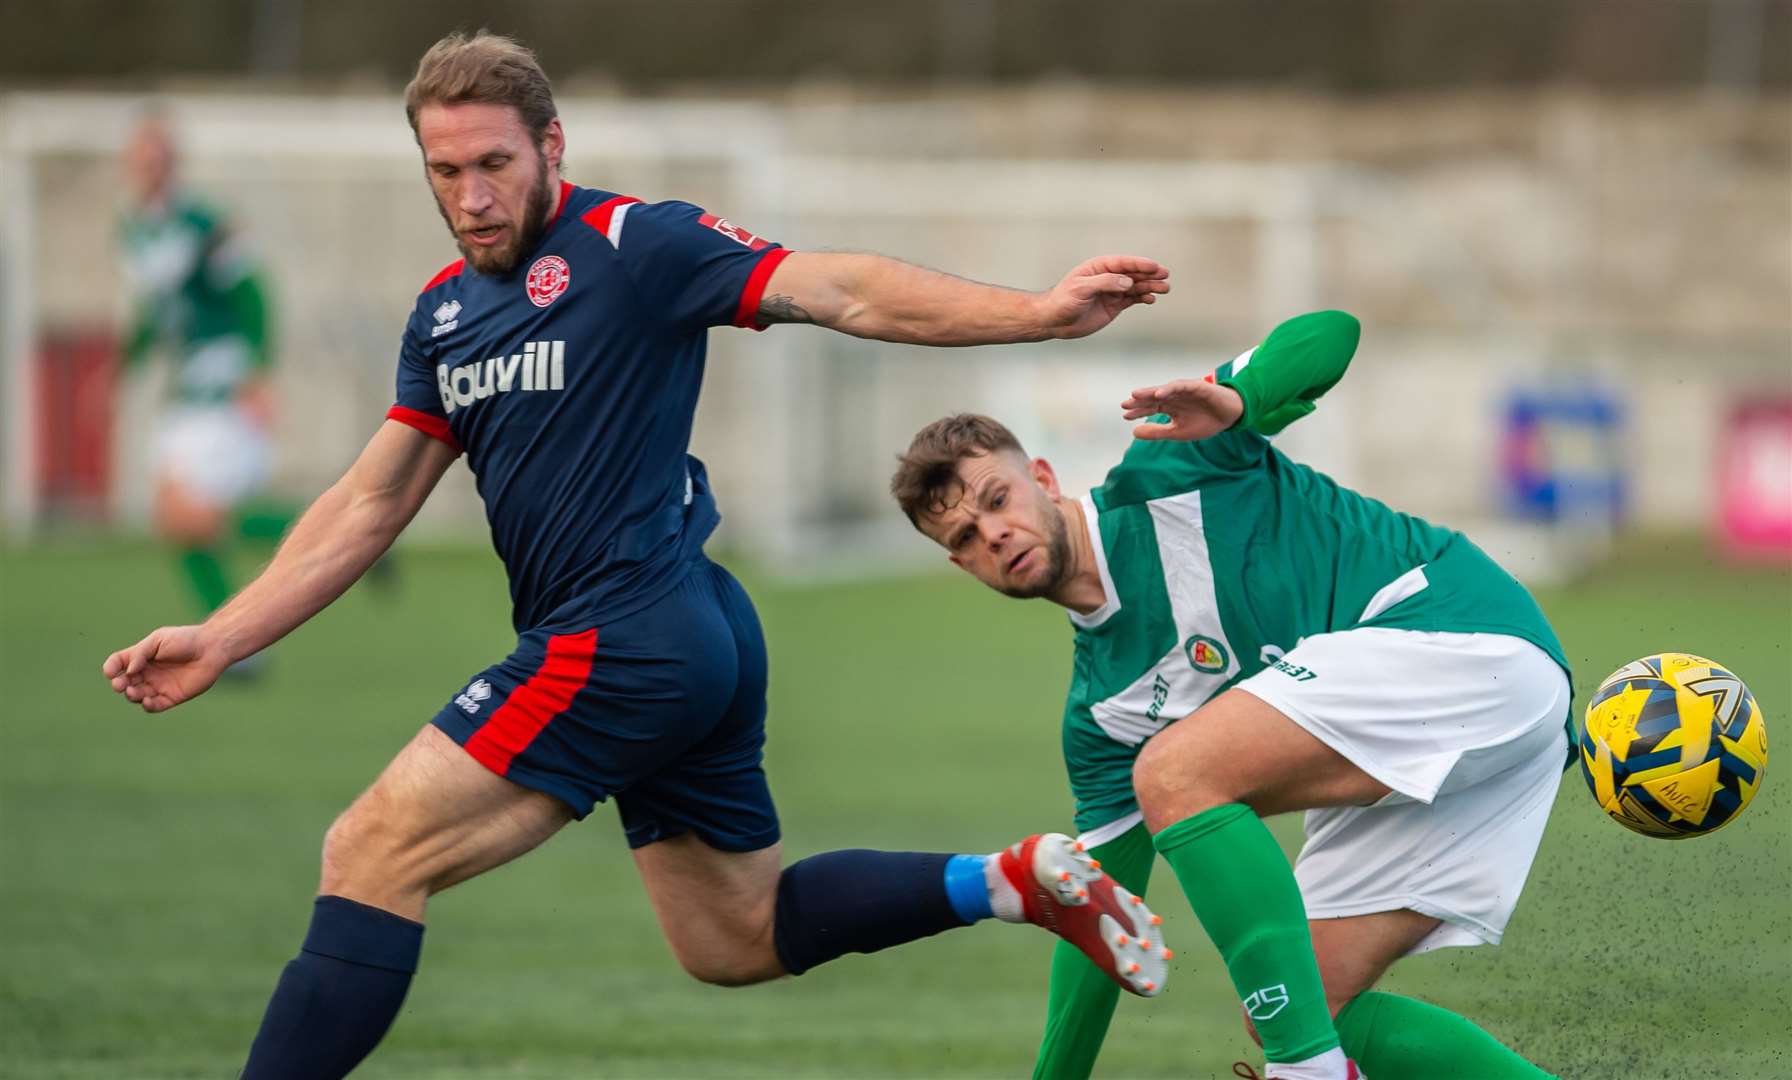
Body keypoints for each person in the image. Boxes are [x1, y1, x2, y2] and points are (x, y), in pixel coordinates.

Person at [101, 31, 1175, 1079]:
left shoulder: (633, 244)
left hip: (623, 636)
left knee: (370, 853)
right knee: (733, 940)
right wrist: (222, 634)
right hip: (677, 639)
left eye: (494, 165)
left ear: (550, 147)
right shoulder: (441, 317)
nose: (472, 195)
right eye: (445, 171)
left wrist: (1037, 313)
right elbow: (372, 499)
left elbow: (836, 286)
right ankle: (1010, 881)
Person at [890, 310, 1570, 1080]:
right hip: (1449, 739)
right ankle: (1312, 1055)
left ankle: (1305, 1074)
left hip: (1461, 635)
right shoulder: (1100, 718)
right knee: (1304, 1004)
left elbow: (1332, 333)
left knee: (1174, 771)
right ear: (959, 566)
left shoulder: (1170, 462)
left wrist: (1242, 404)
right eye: (965, 538)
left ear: (1042, 478)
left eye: (996, 499)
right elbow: (1093, 914)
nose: (994, 534)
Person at [118, 112, 291, 623]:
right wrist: (121, 367)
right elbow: (155, 308)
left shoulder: (204, 223)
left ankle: (230, 640)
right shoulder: (132, 229)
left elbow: (254, 292)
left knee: (188, 514)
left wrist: (258, 373)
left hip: (223, 381)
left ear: (172, 164)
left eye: (159, 160)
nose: (149, 170)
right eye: (140, 160)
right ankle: (339, 532)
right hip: (184, 386)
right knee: (178, 517)